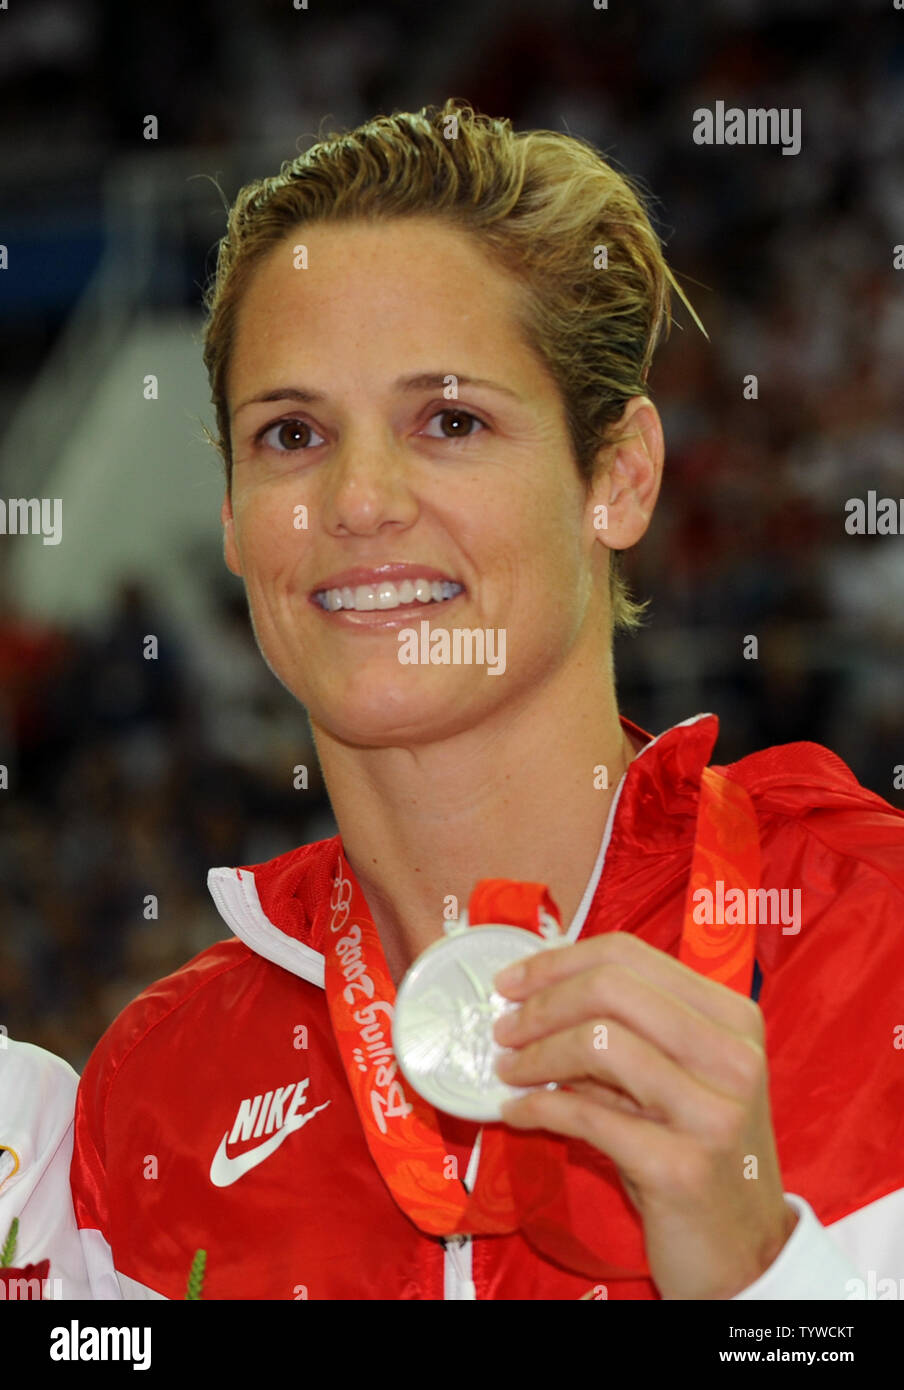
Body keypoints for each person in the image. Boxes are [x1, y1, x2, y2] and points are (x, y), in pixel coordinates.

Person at [70, 97, 904, 1300]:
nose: (359, 499)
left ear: (616, 480)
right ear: (234, 523)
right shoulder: (153, 1100)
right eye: (292, 432)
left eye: (450, 420)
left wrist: (762, 1285)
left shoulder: (871, 941)